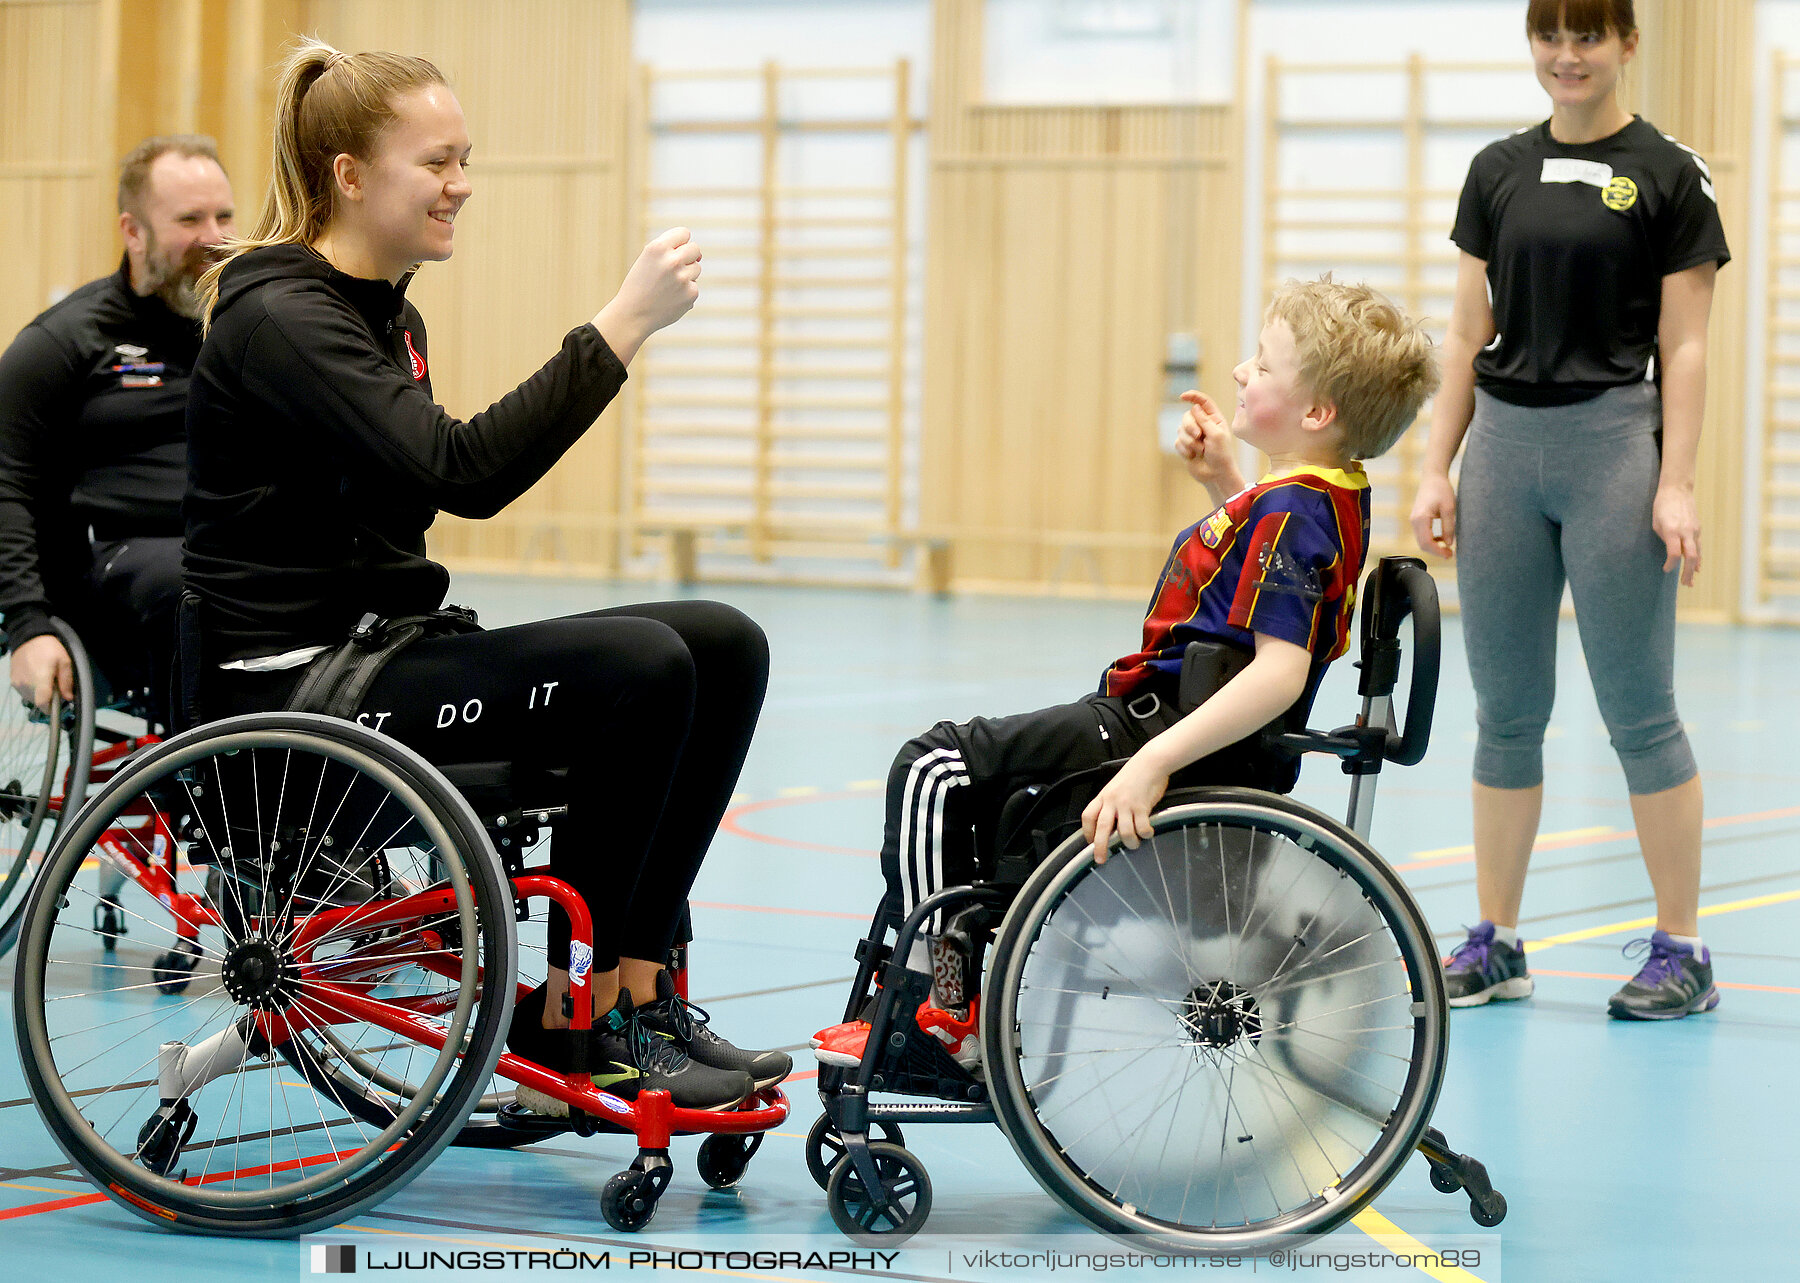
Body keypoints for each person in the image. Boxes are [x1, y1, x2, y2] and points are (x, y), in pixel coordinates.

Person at [186, 39, 789, 1113]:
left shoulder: (387, 316)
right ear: (351, 176)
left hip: (379, 656)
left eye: (466, 156)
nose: (461, 182)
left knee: (723, 639)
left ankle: (635, 991)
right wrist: (620, 327)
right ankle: (575, 1020)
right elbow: (464, 472)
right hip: (289, 696)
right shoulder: (281, 316)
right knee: (640, 666)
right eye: (438, 161)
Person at [813, 277, 1440, 1068]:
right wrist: (1222, 479)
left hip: (1156, 728)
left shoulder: (1295, 512)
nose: (1242, 372)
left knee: (933, 767)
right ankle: (959, 983)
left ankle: (933, 1012)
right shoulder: (1322, 494)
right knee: (973, 794)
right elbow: (1266, 599)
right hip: (1156, 715)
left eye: (1263, 364)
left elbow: (1279, 670)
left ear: (1317, 413)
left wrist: (1151, 763)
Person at [1408, 0, 1729, 1020]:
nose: (1567, 55)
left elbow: (1685, 346)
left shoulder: (1671, 176)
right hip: (1504, 451)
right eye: (1550, 34)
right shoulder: (1497, 171)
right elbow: (1465, 334)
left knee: (1640, 712)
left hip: (1610, 451)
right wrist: (1435, 467)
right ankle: (1495, 938)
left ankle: (1684, 946)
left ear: (1627, 43)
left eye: (1588, 35)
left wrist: (1673, 480)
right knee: (1505, 713)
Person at [0, 136, 235, 720]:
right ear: (133, 231)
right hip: (115, 566)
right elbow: (6, 480)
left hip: (223, 548)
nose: (215, 237)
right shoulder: (63, 342)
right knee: (197, 588)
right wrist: (26, 624)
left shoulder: (242, 329)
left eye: (224, 216)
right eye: (190, 219)